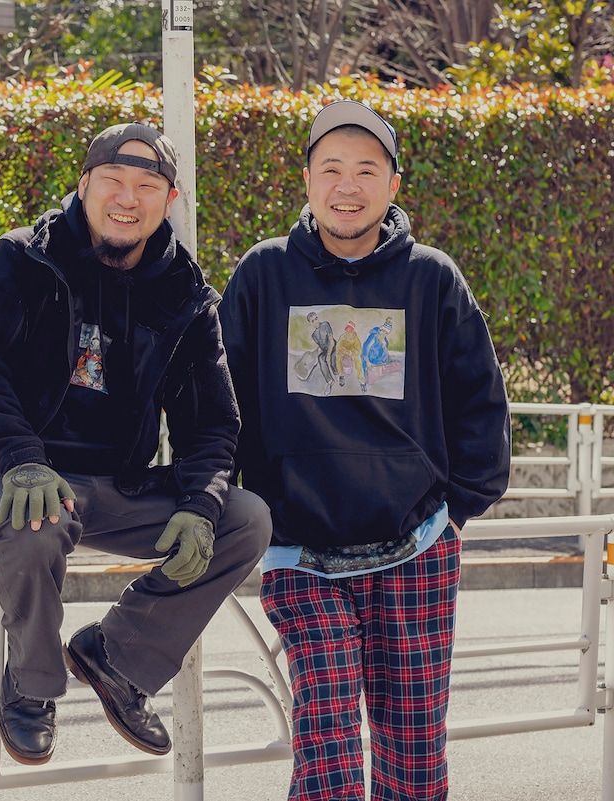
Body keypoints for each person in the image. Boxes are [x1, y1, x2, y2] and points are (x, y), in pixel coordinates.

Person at [0, 122, 272, 765]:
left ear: (168, 199)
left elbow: (212, 422)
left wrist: (201, 504)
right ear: (84, 184)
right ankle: (31, 685)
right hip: (8, 471)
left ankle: (116, 656)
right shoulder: (23, 257)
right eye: (113, 180)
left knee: (244, 518)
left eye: (146, 185)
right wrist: (23, 458)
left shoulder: (184, 293)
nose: (127, 197)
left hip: (115, 484)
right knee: (33, 518)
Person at [219, 100, 511, 800]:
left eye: (365, 170)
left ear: (392, 183)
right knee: (327, 740)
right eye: (331, 169)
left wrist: (456, 510)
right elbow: (218, 400)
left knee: (414, 747)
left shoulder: (432, 277)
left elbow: (480, 399)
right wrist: (229, 496)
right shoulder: (264, 273)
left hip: (416, 543)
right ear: (307, 179)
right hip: (300, 548)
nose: (346, 186)